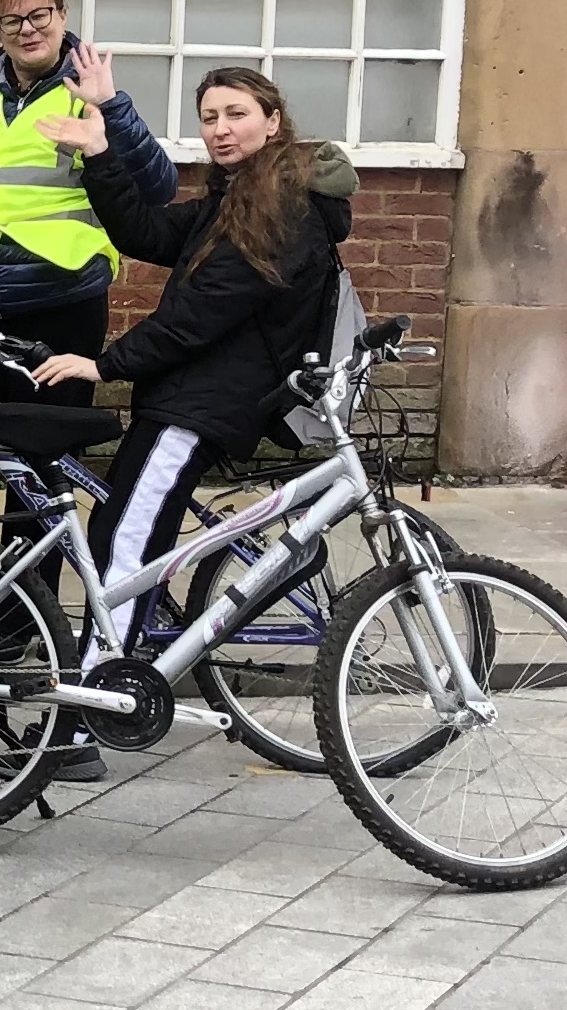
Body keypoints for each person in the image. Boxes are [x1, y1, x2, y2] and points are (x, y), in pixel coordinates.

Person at [25, 59, 355, 780]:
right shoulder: (239, 196)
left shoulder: (282, 207)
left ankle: (82, 725)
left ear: (272, 120)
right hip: (190, 394)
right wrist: (105, 145)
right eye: (209, 117)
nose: (220, 129)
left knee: (123, 543)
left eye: (236, 114)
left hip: (204, 403)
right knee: (125, 533)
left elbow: (201, 316)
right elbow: (144, 231)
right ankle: (116, 673)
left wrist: (103, 364)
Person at [0, 0, 178, 446]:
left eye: (39, 15)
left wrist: (111, 105)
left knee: (39, 474)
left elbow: (158, 187)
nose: (27, 29)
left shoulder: (89, 99)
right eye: (12, 21)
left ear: (62, 16)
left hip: (60, 308)